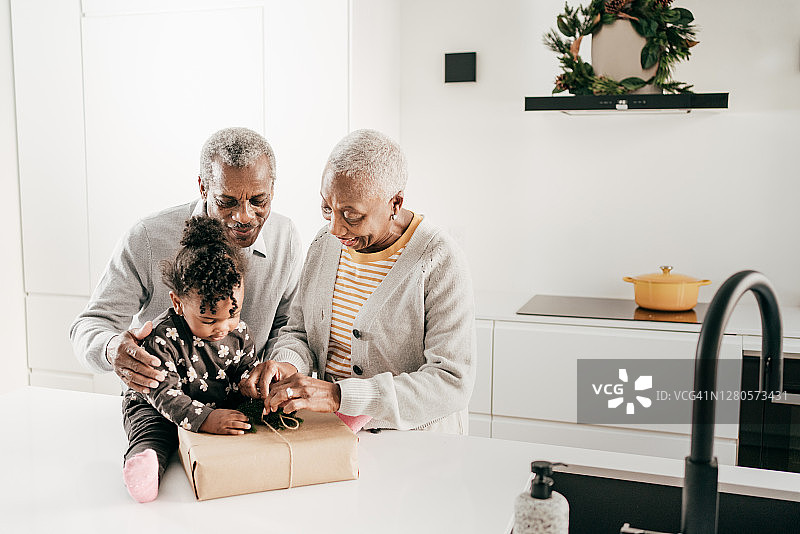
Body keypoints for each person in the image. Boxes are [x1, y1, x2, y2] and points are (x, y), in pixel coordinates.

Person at [241, 129, 476, 434]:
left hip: (417, 445)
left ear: (395, 203)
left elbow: (451, 382)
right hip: (333, 435)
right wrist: (288, 365)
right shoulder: (324, 244)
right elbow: (298, 332)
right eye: (328, 208)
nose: (336, 227)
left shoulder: (440, 261)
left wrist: (340, 396)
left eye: (351, 215)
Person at [70, 127, 303, 393]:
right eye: (226, 201)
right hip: (162, 402)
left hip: (237, 405)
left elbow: (289, 326)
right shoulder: (147, 237)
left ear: (272, 190)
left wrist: (279, 365)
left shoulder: (286, 237)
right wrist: (112, 349)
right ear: (203, 187)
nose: (244, 216)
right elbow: (89, 325)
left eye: (259, 200)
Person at [122, 216, 258, 503]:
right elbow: (163, 393)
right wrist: (205, 419)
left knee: (259, 409)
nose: (222, 327)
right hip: (156, 405)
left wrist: (249, 382)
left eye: (232, 314)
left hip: (213, 400)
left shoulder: (239, 332)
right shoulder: (162, 337)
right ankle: (144, 465)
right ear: (177, 303)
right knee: (154, 433)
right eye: (208, 319)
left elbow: (245, 367)